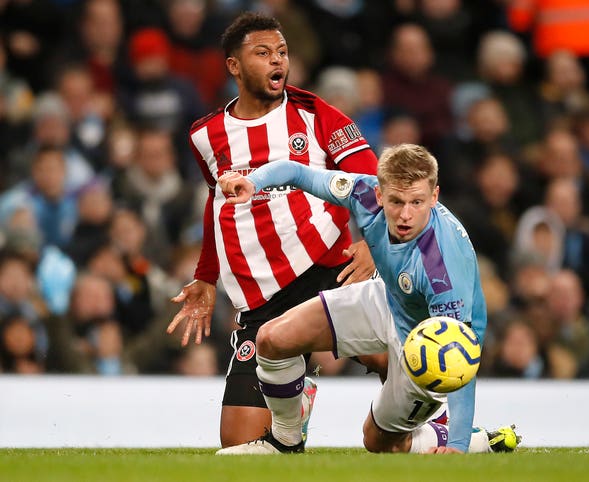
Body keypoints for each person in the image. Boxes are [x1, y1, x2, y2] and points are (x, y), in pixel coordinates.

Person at [166, 12, 384, 448]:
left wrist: (374, 244)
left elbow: (372, 180)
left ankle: (453, 430)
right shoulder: (205, 135)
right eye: (262, 53)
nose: (276, 61)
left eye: (282, 52)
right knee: (240, 449)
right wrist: (206, 276)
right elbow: (217, 203)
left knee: (401, 357)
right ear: (233, 65)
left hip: (329, 273)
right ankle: (294, 407)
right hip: (261, 298)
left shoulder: (316, 114)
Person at [215, 143, 520, 454]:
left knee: (379, 442)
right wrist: (255, 181)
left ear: (435, 196)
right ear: (378, 195)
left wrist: (457, 446)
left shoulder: (441, 268)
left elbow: (461, 358)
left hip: (427, 341)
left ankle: (478, 439)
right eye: (396, 201)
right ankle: (285, 442)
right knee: (272, 338)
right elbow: (296, 172)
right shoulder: (361, 192)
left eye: (417, 202)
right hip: (389, 298)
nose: (405, 214)